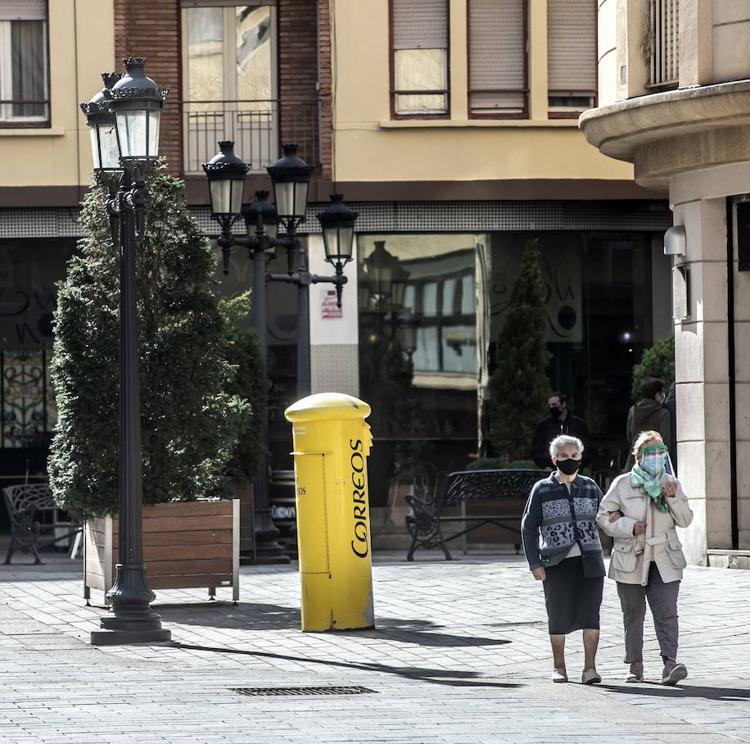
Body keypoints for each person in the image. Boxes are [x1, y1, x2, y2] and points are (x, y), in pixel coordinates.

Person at [596, 430, 693, 685]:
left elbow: (685, 519)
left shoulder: (671, 482)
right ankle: (635, 665)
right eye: (651, 452)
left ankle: (670, 663)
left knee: (667, 612)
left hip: (664, 557)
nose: (657, 457)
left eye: (661, 451)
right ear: (638, 456)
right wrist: (628, 526)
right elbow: (604, 517)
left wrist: (672, 498)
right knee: (633, 613)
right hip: (632, 556)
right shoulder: (623, 483)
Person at [521, 434, 605, 684]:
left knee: (591, 615)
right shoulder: (542, 489)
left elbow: (607, 517)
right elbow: (528, 527)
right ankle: (559, 667)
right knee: (557, 615)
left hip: (590, 562)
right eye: (565, 456)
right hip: (556, 564)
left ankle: (590, 669)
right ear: (554, 458)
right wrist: (534, 563)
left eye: (575, 456)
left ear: (580, 457)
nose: (570, 460)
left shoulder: (590, 486)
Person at [623, 378, 671, 471]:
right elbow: (666, 442)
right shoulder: (663, 413)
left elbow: (629, 437)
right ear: (657, 395)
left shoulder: (633, 410)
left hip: (634, 461)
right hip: (656, 463)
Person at [531, 392, 589, 469]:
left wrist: (577, 467)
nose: (551, 407)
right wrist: (545, 466)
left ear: (563, 404)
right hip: (550, 469)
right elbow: (537, 449)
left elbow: (585, 448)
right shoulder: (544, 425)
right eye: (550, 405)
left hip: (573, 469)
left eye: (554, 405)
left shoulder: (578, 424)